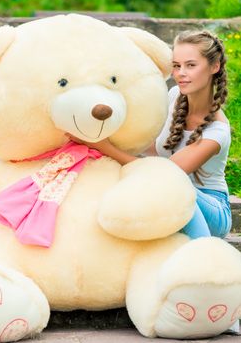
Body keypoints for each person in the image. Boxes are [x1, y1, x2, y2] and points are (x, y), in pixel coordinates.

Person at [69, 30, 232, 240]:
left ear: (214, 66)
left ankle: (202, 253)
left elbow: (166, 173)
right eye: (176, 65)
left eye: (191, 65)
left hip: (212, 210)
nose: (181, 73)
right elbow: (156, 148)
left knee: (171, 184)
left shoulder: (217, 132)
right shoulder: (174, 96)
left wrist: (104, 146)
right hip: (166, 195)